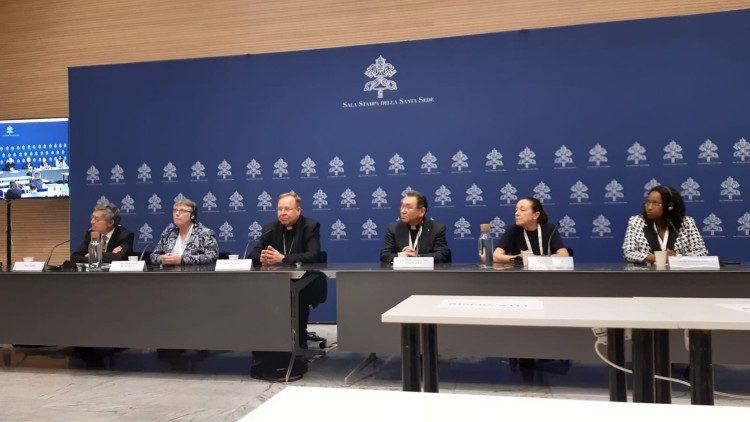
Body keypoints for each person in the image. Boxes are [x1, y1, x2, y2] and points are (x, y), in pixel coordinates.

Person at [247, 192, 327, 381]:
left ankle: (299, 346)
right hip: (275, 284)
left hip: (305, 282)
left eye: (287, 209)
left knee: (296, 298)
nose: (282, 213)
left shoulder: (310, 226)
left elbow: (314, 255)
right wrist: (262, 257)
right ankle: (269, 348)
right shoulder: (270, 229)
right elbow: (254, 253)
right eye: (280, 209)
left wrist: (283, 258)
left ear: (298, 210)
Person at [622, 185, 708, 264]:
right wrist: (654, 258)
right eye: (648, 202)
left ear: (669, 206)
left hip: (678, 273)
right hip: (647, 273)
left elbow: (701, 252)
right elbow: (628, 252)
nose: (649, 207)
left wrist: (677, 257)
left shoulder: (686, 223)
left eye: (655, 203)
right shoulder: (636, 222)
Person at [488, 197, 569, 264]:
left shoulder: (550, 229)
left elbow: (564, 255)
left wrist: (540, 259)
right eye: (516, 210)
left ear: (535, 215)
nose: (516, 213)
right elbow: (496, 256)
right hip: (521, 275)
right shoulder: (513, 230)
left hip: (546, 274)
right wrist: (518, 258)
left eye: (522, 210)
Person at [380, 191, 452, 263]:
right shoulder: (393, 228)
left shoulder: (436, 229)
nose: (403, 211)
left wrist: (417, 257)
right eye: (402, 206)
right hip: (401, 270)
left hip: (426, 270)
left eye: (408, 207)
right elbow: (384, 255)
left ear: (422, 211)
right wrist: (403, 255)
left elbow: (442, 255)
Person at [150, 198, 218, 266]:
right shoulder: (168, 233)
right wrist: (162, 259)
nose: (177, 213)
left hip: (194, 272)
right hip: (169, 272)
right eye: (175, 210)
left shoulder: (205, 233)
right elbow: (153, 256)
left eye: (182, 211)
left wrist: (182, 260)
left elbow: (212, 256)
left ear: (192, 215)